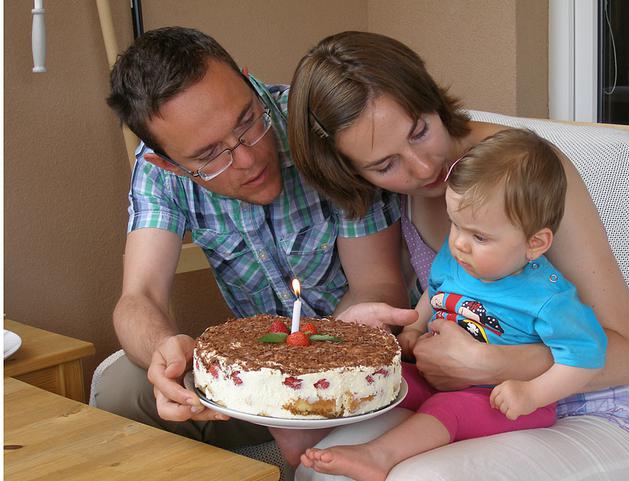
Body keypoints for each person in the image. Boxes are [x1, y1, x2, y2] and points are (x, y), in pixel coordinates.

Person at [288, 31, 629, 480]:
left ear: (431, 99)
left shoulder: (524, 173)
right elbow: (395, 294)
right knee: (325, 471)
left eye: (420, 131)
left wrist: (491, 364)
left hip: (593, 411)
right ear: (352, 172)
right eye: (386, 165)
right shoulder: (387, 195)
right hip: (468, 399)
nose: (424, 167)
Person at [94, 26, 416, 461]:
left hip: (354, 366)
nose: (247, 159)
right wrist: (164, 351)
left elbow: (378, 284)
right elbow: (139, 297)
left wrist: (311, 368)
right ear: (168, 164)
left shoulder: (319, 125)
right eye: (209, 155)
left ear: (247, 81)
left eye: (246, 121)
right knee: (121, 389)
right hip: (258, 376)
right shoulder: (157, 173)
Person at [301, 129, 608, 481]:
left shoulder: (547, 298)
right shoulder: (457, 259)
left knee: (449, 407)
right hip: (439, 376)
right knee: (389, 377)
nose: (459, 243)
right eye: (456, 225)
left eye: (479, 236)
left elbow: (587, 357)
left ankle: (378, 456)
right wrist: (414, 327)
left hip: (503, 399)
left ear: (535, 243)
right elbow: (435, 293)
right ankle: (304, 406)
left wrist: (532, 393)